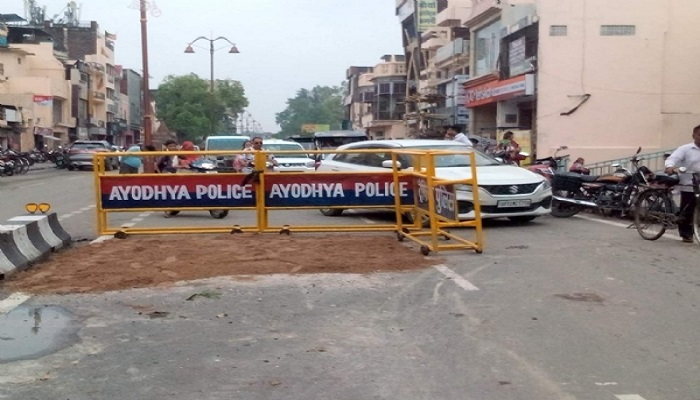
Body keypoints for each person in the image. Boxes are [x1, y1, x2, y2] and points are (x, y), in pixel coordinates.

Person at [664, 124, 700, 243]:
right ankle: (686, 233)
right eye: (699, 135)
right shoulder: (686, 149)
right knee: (687, 209)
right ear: (694, 136)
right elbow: (673, 158)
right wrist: (670, 167)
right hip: (688, 183)